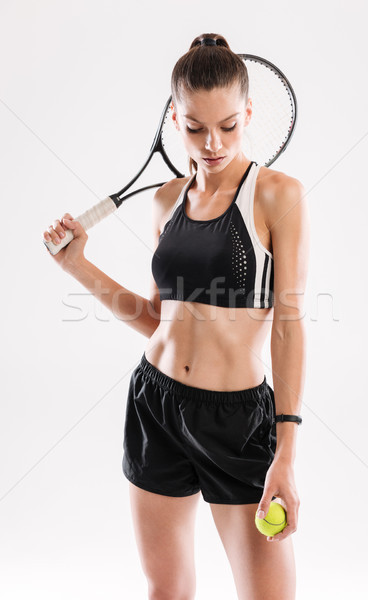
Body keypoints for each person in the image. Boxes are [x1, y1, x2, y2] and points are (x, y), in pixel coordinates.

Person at [43, 32, 310, 600]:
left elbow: (288, 325)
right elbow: (157, 319)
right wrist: (78, 267)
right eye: (194, 127)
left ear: (249, 113)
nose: (212, 143)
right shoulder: (167, 200)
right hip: (155, 406)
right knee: (166, 591)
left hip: (237, 424)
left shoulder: (276, 196)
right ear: (174, 115)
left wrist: (286, 449)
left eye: (229, 126)